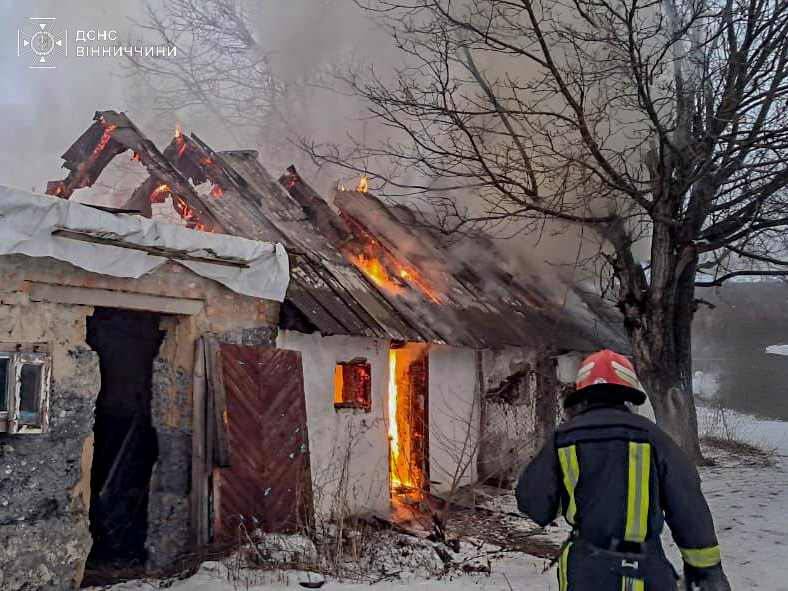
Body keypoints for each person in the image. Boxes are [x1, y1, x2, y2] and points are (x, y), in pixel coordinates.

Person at [516, 349, 731, 591]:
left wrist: (571, 498)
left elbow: (532, 503)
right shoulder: (654, 438)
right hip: (645, 567)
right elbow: (687, 505)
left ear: (583, 392)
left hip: (586, 568)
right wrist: (707, 570)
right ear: (628, 391)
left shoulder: (562, 439)